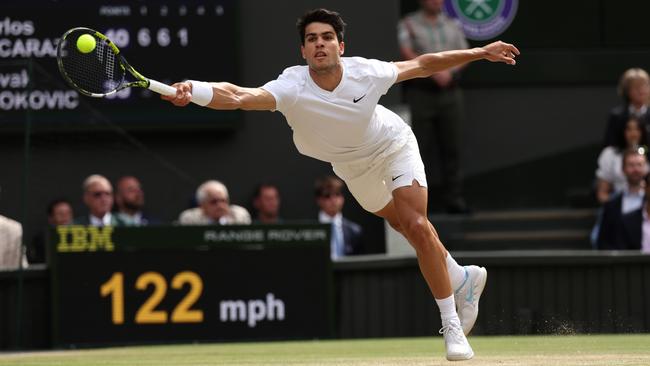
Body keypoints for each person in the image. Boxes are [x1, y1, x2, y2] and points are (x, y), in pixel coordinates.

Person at [161, 8, 518, 360]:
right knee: (401, 223)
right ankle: (461, 277)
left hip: (393, 145)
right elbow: (239, 95)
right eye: (312, 39)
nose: (320, 44)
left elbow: (424, 64)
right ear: (303, 51)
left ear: (340, 46)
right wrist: (194, 90)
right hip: (352, 167)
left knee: (416, 224)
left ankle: (451, 325)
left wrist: (481, 52)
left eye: (327, 37)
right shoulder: (291, 86)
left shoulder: (366, 72)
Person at [397, 0, 470, 214]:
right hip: (421, 92)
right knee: (417, 148)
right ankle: (419, 204)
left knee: (452, 147)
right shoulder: (408, 24)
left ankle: (454, 199)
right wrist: (432, 71)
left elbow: (465, 52)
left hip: (450, 93)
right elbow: (404, 49)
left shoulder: (452, 24)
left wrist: (449, 72)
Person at [597, 148, 648, 250]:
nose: (635, 169)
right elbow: (603, 241)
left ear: (645, 168)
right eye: (631, 165)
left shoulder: (648, 202)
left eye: (639, 165)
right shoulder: (611, 205)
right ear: (623, 169)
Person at [595, 116, 648, 204]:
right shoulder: (610, 154)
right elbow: (602, 194)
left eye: (639, 164)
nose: (633, 134)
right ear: (623, 169)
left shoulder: (646, 151)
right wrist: (616, 207)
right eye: (629, 129)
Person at [314, 175, 363, 259]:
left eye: (337, 194)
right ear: (319, 200)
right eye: (327, 195)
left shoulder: (354, 230)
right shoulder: (311, 230)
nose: (333, 200)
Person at [603, 68, 650, 147]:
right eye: (636, 87)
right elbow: (610, 144)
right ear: (627, 91)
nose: (641, 90)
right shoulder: (617, 116)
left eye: (645, 86)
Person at [178, 180, 251, 225]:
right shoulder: (190, 219)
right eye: (213, 202)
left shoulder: (240, 216)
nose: (220, 205)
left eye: (223, 201)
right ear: (202, 205)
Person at [28, 199, 73, 264]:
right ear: (51, 218)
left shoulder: (79, 236)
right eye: (60, 213)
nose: (65, 217)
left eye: (68, 213)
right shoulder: (42, 239)